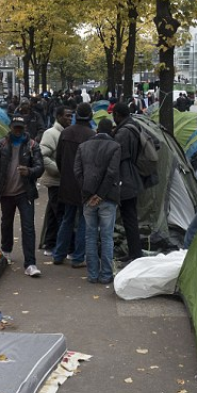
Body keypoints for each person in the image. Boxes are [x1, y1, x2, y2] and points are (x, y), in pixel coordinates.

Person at [0, 116, 45, 277]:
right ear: (10, 128)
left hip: (25, 193)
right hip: (6, 193)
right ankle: (6, 251)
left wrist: (29, 171)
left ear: (24, 128)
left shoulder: (32, 146)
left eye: (20, 128)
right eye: (15, 127)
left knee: (28, 227)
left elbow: (40, 167)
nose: (18, 130)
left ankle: (30, 263)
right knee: (6, 222)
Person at [75, 119, 121, 284]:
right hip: (108, 198)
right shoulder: (115, 147)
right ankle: (106, 274)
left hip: (88, 199)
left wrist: (88, 193)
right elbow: (112, 172)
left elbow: (78, 172)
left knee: (90, 235)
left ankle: (92, 274)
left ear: (96, 130)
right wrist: (100, 194)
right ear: (111, 131)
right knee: (107, 236)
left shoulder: (83, 147)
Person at [54, 103, 96, 267]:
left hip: (67, 183)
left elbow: (59, 158)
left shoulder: (65, 133)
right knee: (84, 221)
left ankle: (59, 254)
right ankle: (78, 257)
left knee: (67, 219)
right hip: (84, 185)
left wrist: (65, 174)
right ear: (90, 116)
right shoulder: (92, 135)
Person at [111, 103, 144, 262]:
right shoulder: (135, 126)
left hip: (125, 178)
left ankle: (135, 254)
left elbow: (117, 156)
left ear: (117, 114)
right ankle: (134, 252)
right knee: (130, 216)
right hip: (133, 176)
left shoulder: (123, 132)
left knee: (129, 217)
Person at [38, 106, 70, 255]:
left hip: (58, 180)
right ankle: (59, 246)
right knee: (59, 213)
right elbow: (42, 155)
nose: (69, 119)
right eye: (66, 116)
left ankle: (50, 243)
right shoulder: (51, 133)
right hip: (55, 180)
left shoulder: (63, 133)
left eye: (71, 116)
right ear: (58, 116)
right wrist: (58, 169)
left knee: (52, 212)